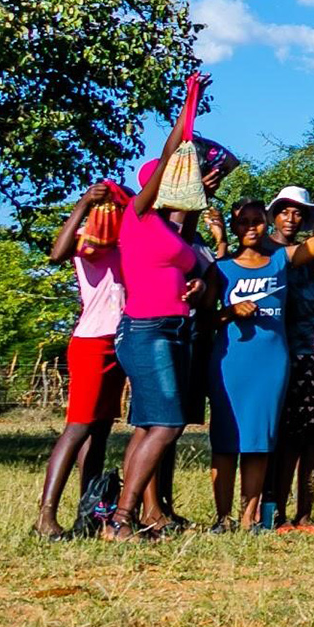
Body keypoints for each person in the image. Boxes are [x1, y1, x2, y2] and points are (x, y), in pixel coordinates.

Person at [206, 179, 314, 532]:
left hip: (272, 363)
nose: (252, 228)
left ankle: (250, 518)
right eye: (243, 222)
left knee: (259, 440)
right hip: (231, 361)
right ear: (234, 226)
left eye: (256, 221)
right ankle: (223, 518)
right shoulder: (221, 268)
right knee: (225, 439)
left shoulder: (281, 260)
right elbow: (205, 317)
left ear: (265, 222)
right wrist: (232, 311)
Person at [106, 117, 215, 540]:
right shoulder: (138, 216)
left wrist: (198, 282)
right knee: (167, 425)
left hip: (175, 329)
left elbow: (193, 265)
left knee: (151, 425)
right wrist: (186, 114)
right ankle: (121, 517)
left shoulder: (176, 230)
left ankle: (127, 517)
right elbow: (172, 154)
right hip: (145, 330)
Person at [37, 181, 127, 539]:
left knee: (101, 429)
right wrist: (82, 204)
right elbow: (56, 253)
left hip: (118, 341)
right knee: (78, 426)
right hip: (91, 342)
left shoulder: (124, 247)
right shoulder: (89, 245)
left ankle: (87, 512)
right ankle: (45, 516)